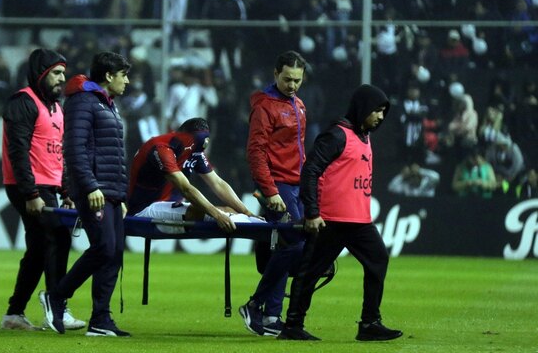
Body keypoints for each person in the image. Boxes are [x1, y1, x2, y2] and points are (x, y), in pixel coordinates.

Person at [278, 84, 402, 342]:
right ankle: (292, 325)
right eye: (376, 111)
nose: (380, 117)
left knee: (378, 260)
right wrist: (312, 212)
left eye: (383, 112)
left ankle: (369, 323)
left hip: (358, 220)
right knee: (310, 272)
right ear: (363, 109)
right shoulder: (337, 135)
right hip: (330, 220)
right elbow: (310, 170)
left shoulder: (364, 135)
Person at [40, 52, 131, 337]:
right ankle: (56, 295)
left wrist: (119, 193)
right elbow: (75, 149)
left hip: (110, 190)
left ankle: (100, 320)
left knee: (113, 253)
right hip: (94, 189)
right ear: (108, 76)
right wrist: (90, 186)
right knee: (103, 247)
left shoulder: (107, 104)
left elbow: (111, 152)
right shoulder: (82, 101)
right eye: (123, 75)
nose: (127, 81)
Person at [0, 48, 85, 331]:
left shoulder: (56, 108)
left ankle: (14, 314)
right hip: (29, 187)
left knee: (38, 249)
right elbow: (18, 152)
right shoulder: (22, 102)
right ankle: (57, 307)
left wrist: (68, 192)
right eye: (57, 73)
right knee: (58, 239)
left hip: (47, 186)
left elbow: (56, 156)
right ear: (41, 73)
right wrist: (31, 193)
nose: (63, 78)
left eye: (64, 72)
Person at [239, 51, 308, 337]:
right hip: (278, 184)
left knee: (289, 247)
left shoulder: (299, 104)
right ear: (275, 74)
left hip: (296, 184)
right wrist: (270, 191)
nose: (292, 85)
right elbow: (256, 152)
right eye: (287, 79)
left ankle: (270, 316)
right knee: (293, 243)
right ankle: (256, 305)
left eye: (297, 80)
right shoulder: (265, 106)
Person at [127, 117, 257, 231]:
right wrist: (217, 215)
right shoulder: (161, 149)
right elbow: (186, 189)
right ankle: (260, 227)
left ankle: (256, 224)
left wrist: (246, 212)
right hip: (144, 208)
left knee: (229, 211)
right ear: (187, 137)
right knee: (212, 214)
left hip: (169, 205)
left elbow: (217, 183)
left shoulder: (193, 151)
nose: (200, 149)